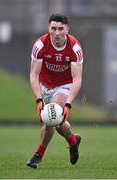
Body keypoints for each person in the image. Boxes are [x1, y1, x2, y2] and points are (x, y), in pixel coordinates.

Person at [27, 13, 83, 168]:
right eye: (53, 28)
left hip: (64, 86)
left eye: (60, 29)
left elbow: (77, 79)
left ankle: (38, 154)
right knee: (58, 123)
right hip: (45, 86)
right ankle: (73, 141)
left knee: (51, 116)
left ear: (67, 29)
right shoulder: (40, 45)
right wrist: (39, 100)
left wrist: (68, 105)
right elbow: (34, 74)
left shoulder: (75, 48)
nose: (57, 33)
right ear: (48, 28)